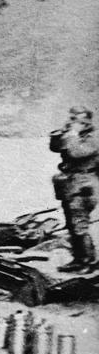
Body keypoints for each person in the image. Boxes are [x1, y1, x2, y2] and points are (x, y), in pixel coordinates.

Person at [50, 106, 99, 273]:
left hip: (85, 183)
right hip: (71, 184)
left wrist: (72, 135)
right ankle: (78, 259)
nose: (73, 123)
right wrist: (60, 134)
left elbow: (76, 153)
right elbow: (56, 148)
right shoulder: (75, 135)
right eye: (72, 119)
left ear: (86, 122)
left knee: (80, 223)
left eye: (76, 120)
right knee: (71, 224)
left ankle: (90, 261)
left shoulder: (93, 138)